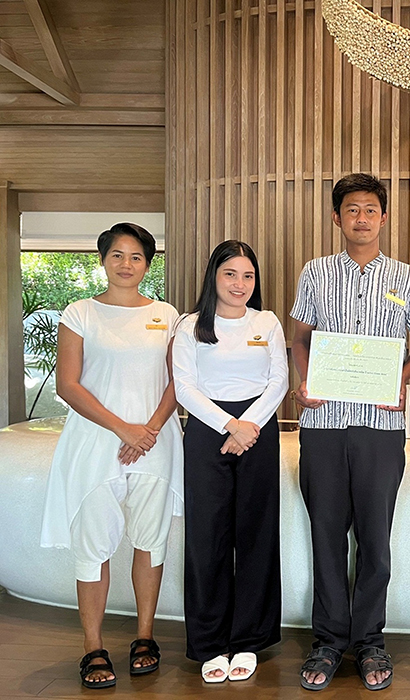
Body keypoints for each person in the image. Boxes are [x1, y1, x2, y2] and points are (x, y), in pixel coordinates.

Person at [291, 173, 410, 691]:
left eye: (371, 209)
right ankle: (329, 640)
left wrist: (400, 377)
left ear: (384, 217)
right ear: (337, 217)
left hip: (380, 425)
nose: (361, 217)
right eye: (351, 209)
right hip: (324, 423)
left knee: (374, 538)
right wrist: (303, 382)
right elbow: (299, 337)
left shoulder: (406, 277)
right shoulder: (315, 273)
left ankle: (371, 639)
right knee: (326, 535)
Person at [40, 223, 183, 689]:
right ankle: (93, 646)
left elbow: (177, 379)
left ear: (148, 263)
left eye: (137, 256)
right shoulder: (79, 313)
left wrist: (151, 429)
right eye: (117, 255)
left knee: (150, 539)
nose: (127, 264)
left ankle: (145, 636)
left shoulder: (166, 314)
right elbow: (68, 385)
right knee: (92, 545)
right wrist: (124, 428)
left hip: (156, 442)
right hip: (96, 444)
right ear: (103, 260)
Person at [172, 240, 288, 683]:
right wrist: (229, 426)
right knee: (207, 537)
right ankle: (209, 644)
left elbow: (279, 379)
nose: (239, 284)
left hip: (258, 428)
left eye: (248, 276)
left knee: (256, 534)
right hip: (207, 430)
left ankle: (248, 640)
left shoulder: (267, 322)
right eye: (230, 274)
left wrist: (249, 426)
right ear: (213, 277)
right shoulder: (189, 326)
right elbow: (184, 388)